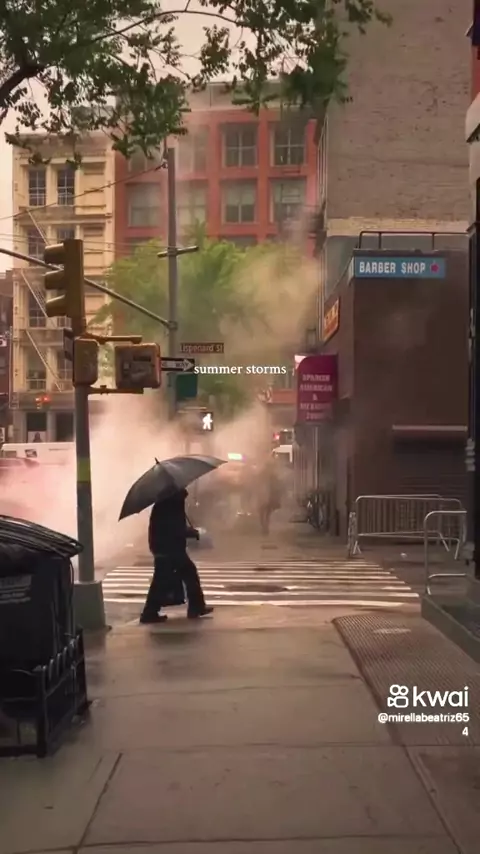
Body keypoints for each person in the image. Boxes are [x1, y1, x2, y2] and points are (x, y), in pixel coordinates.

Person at [140, 488, 214, 624]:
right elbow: (175, 529)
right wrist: (192, 532)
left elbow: (174, 527)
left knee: (165, 579)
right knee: (178, 575)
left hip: (164, 547)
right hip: (169, 548)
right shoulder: (172, 504)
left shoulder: (165, 502)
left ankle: (151, 612)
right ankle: (194, 607)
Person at [256, 457, 282, 535]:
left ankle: (264, 528)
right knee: (266, 514)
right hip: (267, 497)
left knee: (263, 513)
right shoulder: (272, 475)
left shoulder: (262, 474)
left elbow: (277, 487)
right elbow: (277, 487)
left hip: (265, 497)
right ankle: (265, 528)